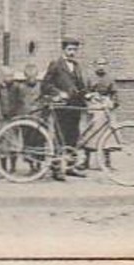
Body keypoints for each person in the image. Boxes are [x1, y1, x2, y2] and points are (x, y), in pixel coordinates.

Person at [41, 37, 88, 178]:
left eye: (74, 49)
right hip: (61, 106)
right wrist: (59, 93)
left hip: (75, 106)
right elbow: (45, 85)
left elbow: (80, 86)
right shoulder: (56, 64)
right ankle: (56, 169)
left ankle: (69, 166)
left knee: (73, 136)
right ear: (63, 50)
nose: (72, 52)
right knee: (60, 136)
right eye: (69, 49)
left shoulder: (77, 66)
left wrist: (88, 94)